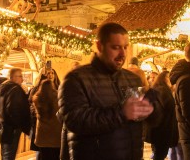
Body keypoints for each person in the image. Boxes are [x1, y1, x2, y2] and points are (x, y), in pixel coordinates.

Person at [58, 22, 160, 160]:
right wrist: (122, 112)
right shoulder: (76, 79)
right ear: (100, 46)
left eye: (125, 47)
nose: (123, 54)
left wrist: (151, 110)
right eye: (115, 47)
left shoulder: (132, 79)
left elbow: (136, 119)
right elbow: (75, 121)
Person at [0, 68, 31, 160]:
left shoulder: (4, 87)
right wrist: (20, 125)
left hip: (3, 125)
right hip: (12, 128)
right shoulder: (15, 89)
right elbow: (14, 109)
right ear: (13, 77)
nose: (22, 79)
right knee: (9, 154)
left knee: (5, 153)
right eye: (20, 76)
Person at [145, 71, 178, 160]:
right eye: (168, 77)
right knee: (160, 154)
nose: (170, 79)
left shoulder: (159, 89)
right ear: (163, 79)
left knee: (159, 153)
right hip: (162, 128)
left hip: (159, 128)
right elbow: (168, 107)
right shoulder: (163, 90)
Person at [33, 79, 62, 160]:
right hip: (56, 135)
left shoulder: (37, 99)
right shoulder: (58, 98)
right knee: (56, 156)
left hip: (42, 136)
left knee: (45, 156)